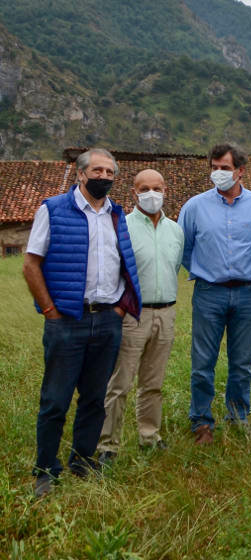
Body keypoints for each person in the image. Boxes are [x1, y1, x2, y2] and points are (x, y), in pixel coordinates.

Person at [23, 148, 141, 498]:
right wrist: (50, 312)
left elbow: (124, 266)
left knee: (94, 398)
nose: (103, 176)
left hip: (107, 321)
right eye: (97, 170)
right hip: (67, 322)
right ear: (80, 173)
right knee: (55, 399)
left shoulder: (117, 215)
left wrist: (119, 310)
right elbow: (31, 264)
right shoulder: (54, 209)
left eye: (109, 171)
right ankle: (46, 469)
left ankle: (82, 460)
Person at [178, 144, 251, 444]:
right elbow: (185, 248)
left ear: (241, 170)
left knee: (242, 362)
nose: (218, 173)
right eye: (215, 167)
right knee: (203, 362)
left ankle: (238, 416)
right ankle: (202, 421)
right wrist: (204, 271)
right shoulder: (194, 207)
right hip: (209, 293)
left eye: (225, 168)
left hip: (247, 293)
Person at [97, 170, 183, 463]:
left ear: (165, 189)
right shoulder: (122, 227)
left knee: (153, 382)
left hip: (166, 312)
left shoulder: (175, 230)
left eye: (156, 188)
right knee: (119, 383)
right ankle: (108, 444)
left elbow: (175, 268)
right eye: (144, 188)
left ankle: (150, 436)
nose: (151, 193)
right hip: (133, 314)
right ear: (134, 192)